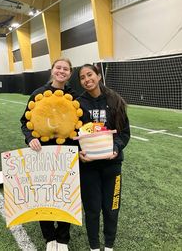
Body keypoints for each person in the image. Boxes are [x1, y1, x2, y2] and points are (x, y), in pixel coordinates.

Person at [20, 58, 77, 251]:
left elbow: (81, 124)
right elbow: (24, 122)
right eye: (58, 67)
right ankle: (49, 238)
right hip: (42, 153)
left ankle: (62, 239)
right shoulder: (38, 94)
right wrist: (30, 138)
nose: (62, 71)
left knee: (64, 194)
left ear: (70, 73)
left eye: (66, 69)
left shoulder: (74, 96)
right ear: (52, 70)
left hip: (67, 154)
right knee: (44, 195)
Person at [77, 64, 130, 251]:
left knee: (111, 207)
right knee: (92, 210)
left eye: (90, 74)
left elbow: (124, 133)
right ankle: (93, 247)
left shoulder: (115, 100)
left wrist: (115, 148)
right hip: (88, 167)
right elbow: (72, 135)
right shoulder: (77, 104)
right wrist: (79, 153)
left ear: (98, 76)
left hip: (112, 165)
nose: (86, 80)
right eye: (82, 77)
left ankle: (108, 246)